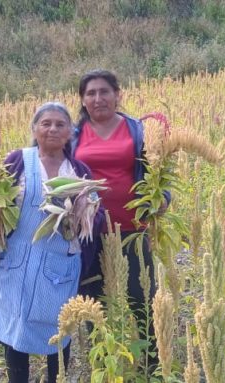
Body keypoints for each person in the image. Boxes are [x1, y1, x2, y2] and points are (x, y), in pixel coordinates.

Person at [0, 102, 104, 383]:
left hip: (58, 268)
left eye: (60, 124)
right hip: (17, 266)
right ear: (34, 129)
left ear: (70, 132)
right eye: (46, 123)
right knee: (15, 331)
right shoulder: (17, 160)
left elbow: (95, 217)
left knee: (58, 332)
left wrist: (84, 211)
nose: (52, 129)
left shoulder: (77, 169)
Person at [72, 69, 171, 369]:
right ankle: (104, 364)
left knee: (141, 297)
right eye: (91, 93)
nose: (98, 98)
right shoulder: (73, 135)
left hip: (132, 230)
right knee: (94, 302)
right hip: (89, 232)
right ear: (83, 99)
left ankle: (153, 365)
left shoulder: (137, 130)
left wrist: (162, 199)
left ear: (117, 94)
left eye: (104, 91)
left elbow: (158, 169)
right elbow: (48, 170)